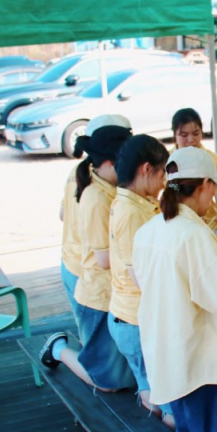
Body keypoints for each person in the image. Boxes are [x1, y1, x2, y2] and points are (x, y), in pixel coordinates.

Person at [133, 146, 217, 432]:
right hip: (201, 367)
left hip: (168, 358)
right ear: (207, 185)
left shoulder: (151, 229)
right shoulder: (193, 235)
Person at [41, 126, 136, 393]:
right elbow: (105, 260)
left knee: (118, 371)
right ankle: (58, 349)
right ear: (108, 163)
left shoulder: (104, 183)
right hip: (98, 295)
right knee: (107, 382)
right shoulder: (96, 197)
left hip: (111, 292)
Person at [106, 134, 169, 421]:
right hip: (134, 320)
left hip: (131, 317)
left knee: (154, 392)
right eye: (162, 172)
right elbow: (140, 276)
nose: (164, 182)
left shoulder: (135, 202)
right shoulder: (131, 212)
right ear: (146, 169)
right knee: (158, 398)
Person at [59, 114, 131, 329]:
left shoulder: (80, 171)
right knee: (99, 357)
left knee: (95, 352)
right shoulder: (101, 191)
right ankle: (58, 350)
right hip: (93, 281)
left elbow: (63, 214)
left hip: (73, 263)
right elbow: (105, 259)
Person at [171, 107, 217, 227]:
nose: (190, 140)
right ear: (174, 135)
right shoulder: (167, 160)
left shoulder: (213, 159)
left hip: (209, 225)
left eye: (196, 133)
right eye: (184, 135)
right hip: (177, 224)